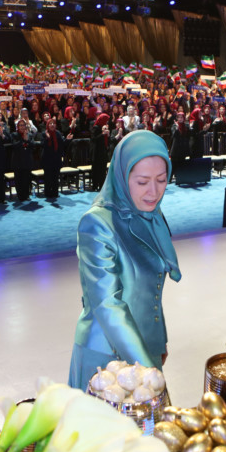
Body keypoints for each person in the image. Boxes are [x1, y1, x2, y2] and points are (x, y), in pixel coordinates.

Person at [68, 131, 181, 391]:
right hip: (106, 358)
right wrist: (147, 368)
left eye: (162, 180)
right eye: (142, 182)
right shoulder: (97, 224)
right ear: (121, 177)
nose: (153, 192)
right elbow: (108, 303)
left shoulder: (150, 216)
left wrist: (158, 341)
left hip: (143, 347)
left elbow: (150, 289)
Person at [41, 118, 72, 199]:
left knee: (55, 177)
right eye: (50, 123)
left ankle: (55, 193)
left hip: (56, 159)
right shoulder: (44, 134)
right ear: (47, 125)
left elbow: (62, 145)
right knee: (48, 178)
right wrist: (47, 138)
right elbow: (43, 146)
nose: (52, 125)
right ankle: (48, 193)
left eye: (53, 123)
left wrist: (67, 140)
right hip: (47, 160)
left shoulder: (58, 133)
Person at [11, 119, 35, 202]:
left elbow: (33, 145)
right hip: (17, 161)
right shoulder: (14, 135)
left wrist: (27, 139)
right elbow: (14, 145)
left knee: (27, 179)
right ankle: (20, 196)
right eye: (20, 125)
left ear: (26, 126)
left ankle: (26, 195)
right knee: (19, 180)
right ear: (17, 127)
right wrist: (23, 140)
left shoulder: (29, 134)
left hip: (27, 160)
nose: (22, 127)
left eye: (23, 125)